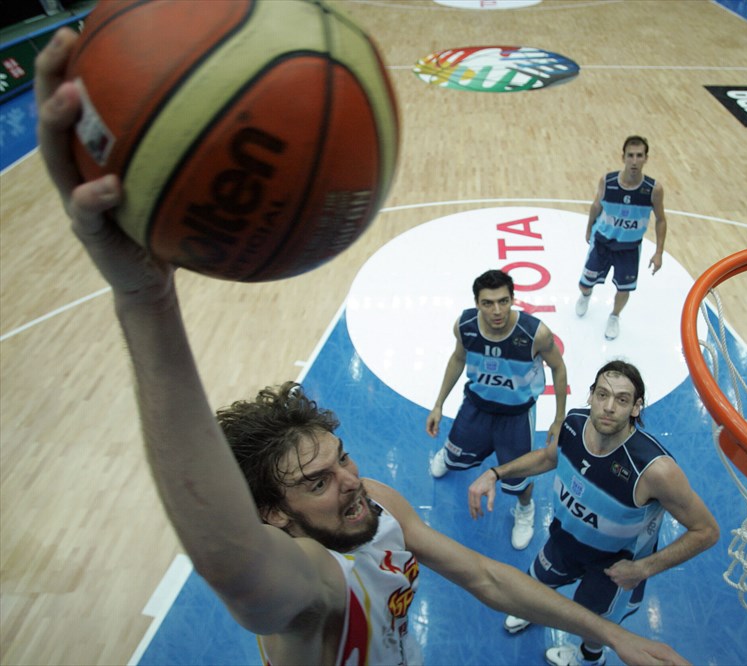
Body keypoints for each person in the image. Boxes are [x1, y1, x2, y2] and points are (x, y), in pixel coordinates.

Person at [35, 28, 688, 666]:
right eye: (317, 482)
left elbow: (486, 578)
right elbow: (229, 560)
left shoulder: (376, 508)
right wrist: (145, 301)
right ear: (273, 515)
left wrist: (615, 636)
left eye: (340, 458)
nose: (349, 481)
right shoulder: (302, 591)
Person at [468, 361, 720, 666]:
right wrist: (496, 473)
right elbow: (547, 459)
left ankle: (589, 658)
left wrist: (643, 570)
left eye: (622, 399)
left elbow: (706, 531)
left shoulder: (655, 470)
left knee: (594, 624)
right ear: (591, 396)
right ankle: (530, 610)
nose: (609, 407)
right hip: (564, 542)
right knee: (535, 582)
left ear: (637, 407)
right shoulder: (573, 423)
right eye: (602, 395)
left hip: (613, 568)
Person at [425, 269, 568, 550]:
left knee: (518, 478)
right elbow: (457, 358)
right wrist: (438, 404)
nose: (497, 310)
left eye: (503, 301)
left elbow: (558, 367)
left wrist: (559, 418)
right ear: (477, 303)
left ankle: (524, 510)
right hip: (476, 406)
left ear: (513, 299)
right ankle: (451, 450)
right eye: (488, 303)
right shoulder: (464, 326)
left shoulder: (534, 333)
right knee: (453, 458)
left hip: (516, 415)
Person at [575, 136, 667, 341]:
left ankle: (614, 316)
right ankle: (586, 295)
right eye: (630, 156)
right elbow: (596, 205)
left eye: (639, 156)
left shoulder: (654, 190)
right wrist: (589, 228)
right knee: (584, 283)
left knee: (624, 289)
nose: (634, 161)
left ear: (646, 158)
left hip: (629, 248)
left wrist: (659, 252)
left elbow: (661, 219)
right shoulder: (607, 181)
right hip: (602, 242)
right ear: (623, 157)